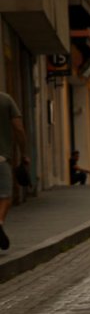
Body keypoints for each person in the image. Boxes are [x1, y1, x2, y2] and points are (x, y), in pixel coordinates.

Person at [0, 91, 28, 250]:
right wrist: (24, 152)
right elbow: (18, 128)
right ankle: (0, 222)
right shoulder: (5, 99)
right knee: (5, 196)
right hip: (1, 158)